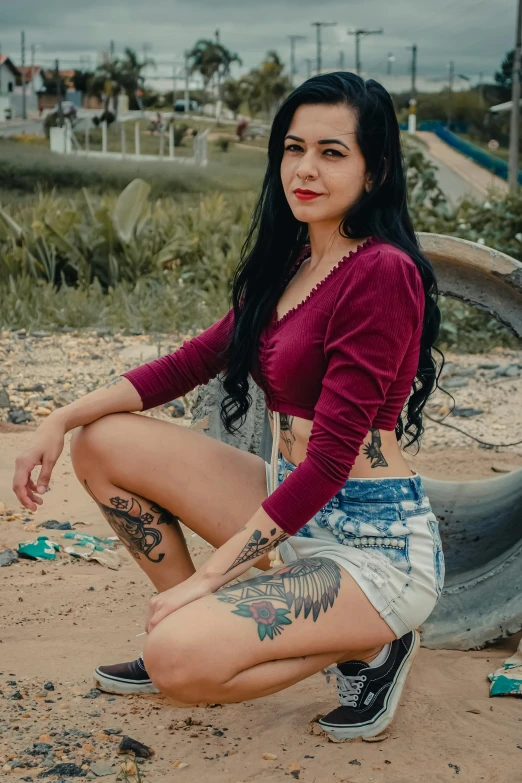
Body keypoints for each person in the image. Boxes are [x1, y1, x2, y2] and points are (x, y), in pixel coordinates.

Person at [13, 72, 445, 741]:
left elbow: (330, 461)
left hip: (373, 546)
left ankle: (376, 643)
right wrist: (59, 417)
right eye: (293, 148)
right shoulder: (294, 260)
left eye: (332, 152)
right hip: (293, 506)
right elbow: (188, 363)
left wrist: (210, 578)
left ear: (375, 168)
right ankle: (201, 618)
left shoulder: (382, 272)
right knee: (100, 441)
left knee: (175, 658)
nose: (305, 168)